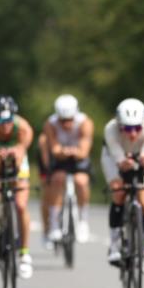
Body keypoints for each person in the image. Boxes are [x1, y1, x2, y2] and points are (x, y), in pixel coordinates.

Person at [0, 96, 35, 279]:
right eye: (0, 121)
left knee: (20, 205)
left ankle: (24, 254)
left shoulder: (24, 128)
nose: (5, 125)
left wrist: (14, 154)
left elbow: (20, 152)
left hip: (16, 157)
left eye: (9, 120)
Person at [101, 98, 144, 275]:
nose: (132, 133)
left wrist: (141, 160)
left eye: (137, 128)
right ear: (119, 125)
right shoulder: (110, 129)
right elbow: (118, 158)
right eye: (127, 128)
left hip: (142, 158)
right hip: (114, 157)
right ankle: (114, 243)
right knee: (119, 192)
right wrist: (123, 162)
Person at [43, 94, 94, 245]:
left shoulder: (85, 122)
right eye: (63, 120)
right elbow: (54, 149)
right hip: (60, 160)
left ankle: (83, 220)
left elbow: (84, 151)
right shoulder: (50, 124)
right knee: (57, 179)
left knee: (81, 181)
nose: (66, 124)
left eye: (70, 120)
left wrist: (71, 152)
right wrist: (63, 152)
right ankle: (54, 223)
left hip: (79, 159)